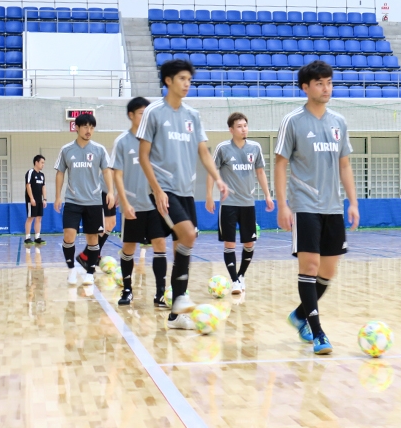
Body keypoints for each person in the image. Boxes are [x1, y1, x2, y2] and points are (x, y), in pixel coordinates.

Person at [275, 60, 359, 355]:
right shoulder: (293, 121)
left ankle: (300, 314)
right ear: (305, 87)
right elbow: (280, 163)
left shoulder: (339, 122)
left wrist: (353, 202)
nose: (326, 88)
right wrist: (283, 205)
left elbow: (344, 164)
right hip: (304, 204)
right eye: (320, 83)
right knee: (309, 267)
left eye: (329, 82)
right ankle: (318, 332)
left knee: (328, 271)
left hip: (333, 206)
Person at [137, 59, 228, 329]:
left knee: (181, 249)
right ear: (168, 81)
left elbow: (203, 151)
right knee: (189, 235)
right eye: (182, 79)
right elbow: (143, 156)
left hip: (186, 191)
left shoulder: (193, 116)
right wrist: (157, 190)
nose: (187, 84)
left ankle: (176, 314)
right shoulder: (154, 112)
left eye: (189, 79)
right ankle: (180, 299)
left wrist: (218, 178)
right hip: (163, 189)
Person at [111, 97, 170, 306]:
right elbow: (117, 174)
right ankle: (127, 290)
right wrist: (124, 202)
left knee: (160, 243)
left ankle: (160, 293)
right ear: (131, 115)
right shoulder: (122, 142)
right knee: (129, 247)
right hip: (133, 205)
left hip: (155, 204)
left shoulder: (157, 141)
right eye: (141, 114)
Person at [206, 112, 274, 295]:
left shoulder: (255, 148)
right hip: (229, 203)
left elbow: (260, 172)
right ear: (231, 129)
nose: (244, 129)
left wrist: (268, 195)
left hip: (248, 203)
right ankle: (234, 280)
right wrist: (209, 196)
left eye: (245, 125)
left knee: (249, 243)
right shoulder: (223, 148)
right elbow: (212, 172)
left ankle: (241, 275)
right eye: (239, 126)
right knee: (229, 243)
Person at [54, 113, 114, 286]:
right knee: (69, 236)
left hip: (93, 201)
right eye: (86, 127)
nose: (89, 130)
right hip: (72, 200)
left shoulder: (99, 149)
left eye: (92, 127)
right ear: (77, 128)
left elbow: (107, 171)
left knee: (93, 239)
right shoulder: (66, 150)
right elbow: (60, 173)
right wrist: (57, 196)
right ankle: (71, 269)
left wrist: (110, 192)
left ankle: (90, 273)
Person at [25, 155, 47, 245]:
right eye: (42, 162)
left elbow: (43, 187)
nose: (43, 164)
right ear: (36, 162)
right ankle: (27, 237)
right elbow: (28, 185)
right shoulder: (30, 172)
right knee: (31, 217)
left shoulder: (42, 175)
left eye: (44, 163)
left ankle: (37, 237)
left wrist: (44, 199)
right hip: (32, 200)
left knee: (39, 218)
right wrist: (31, 198)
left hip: (39, 200)